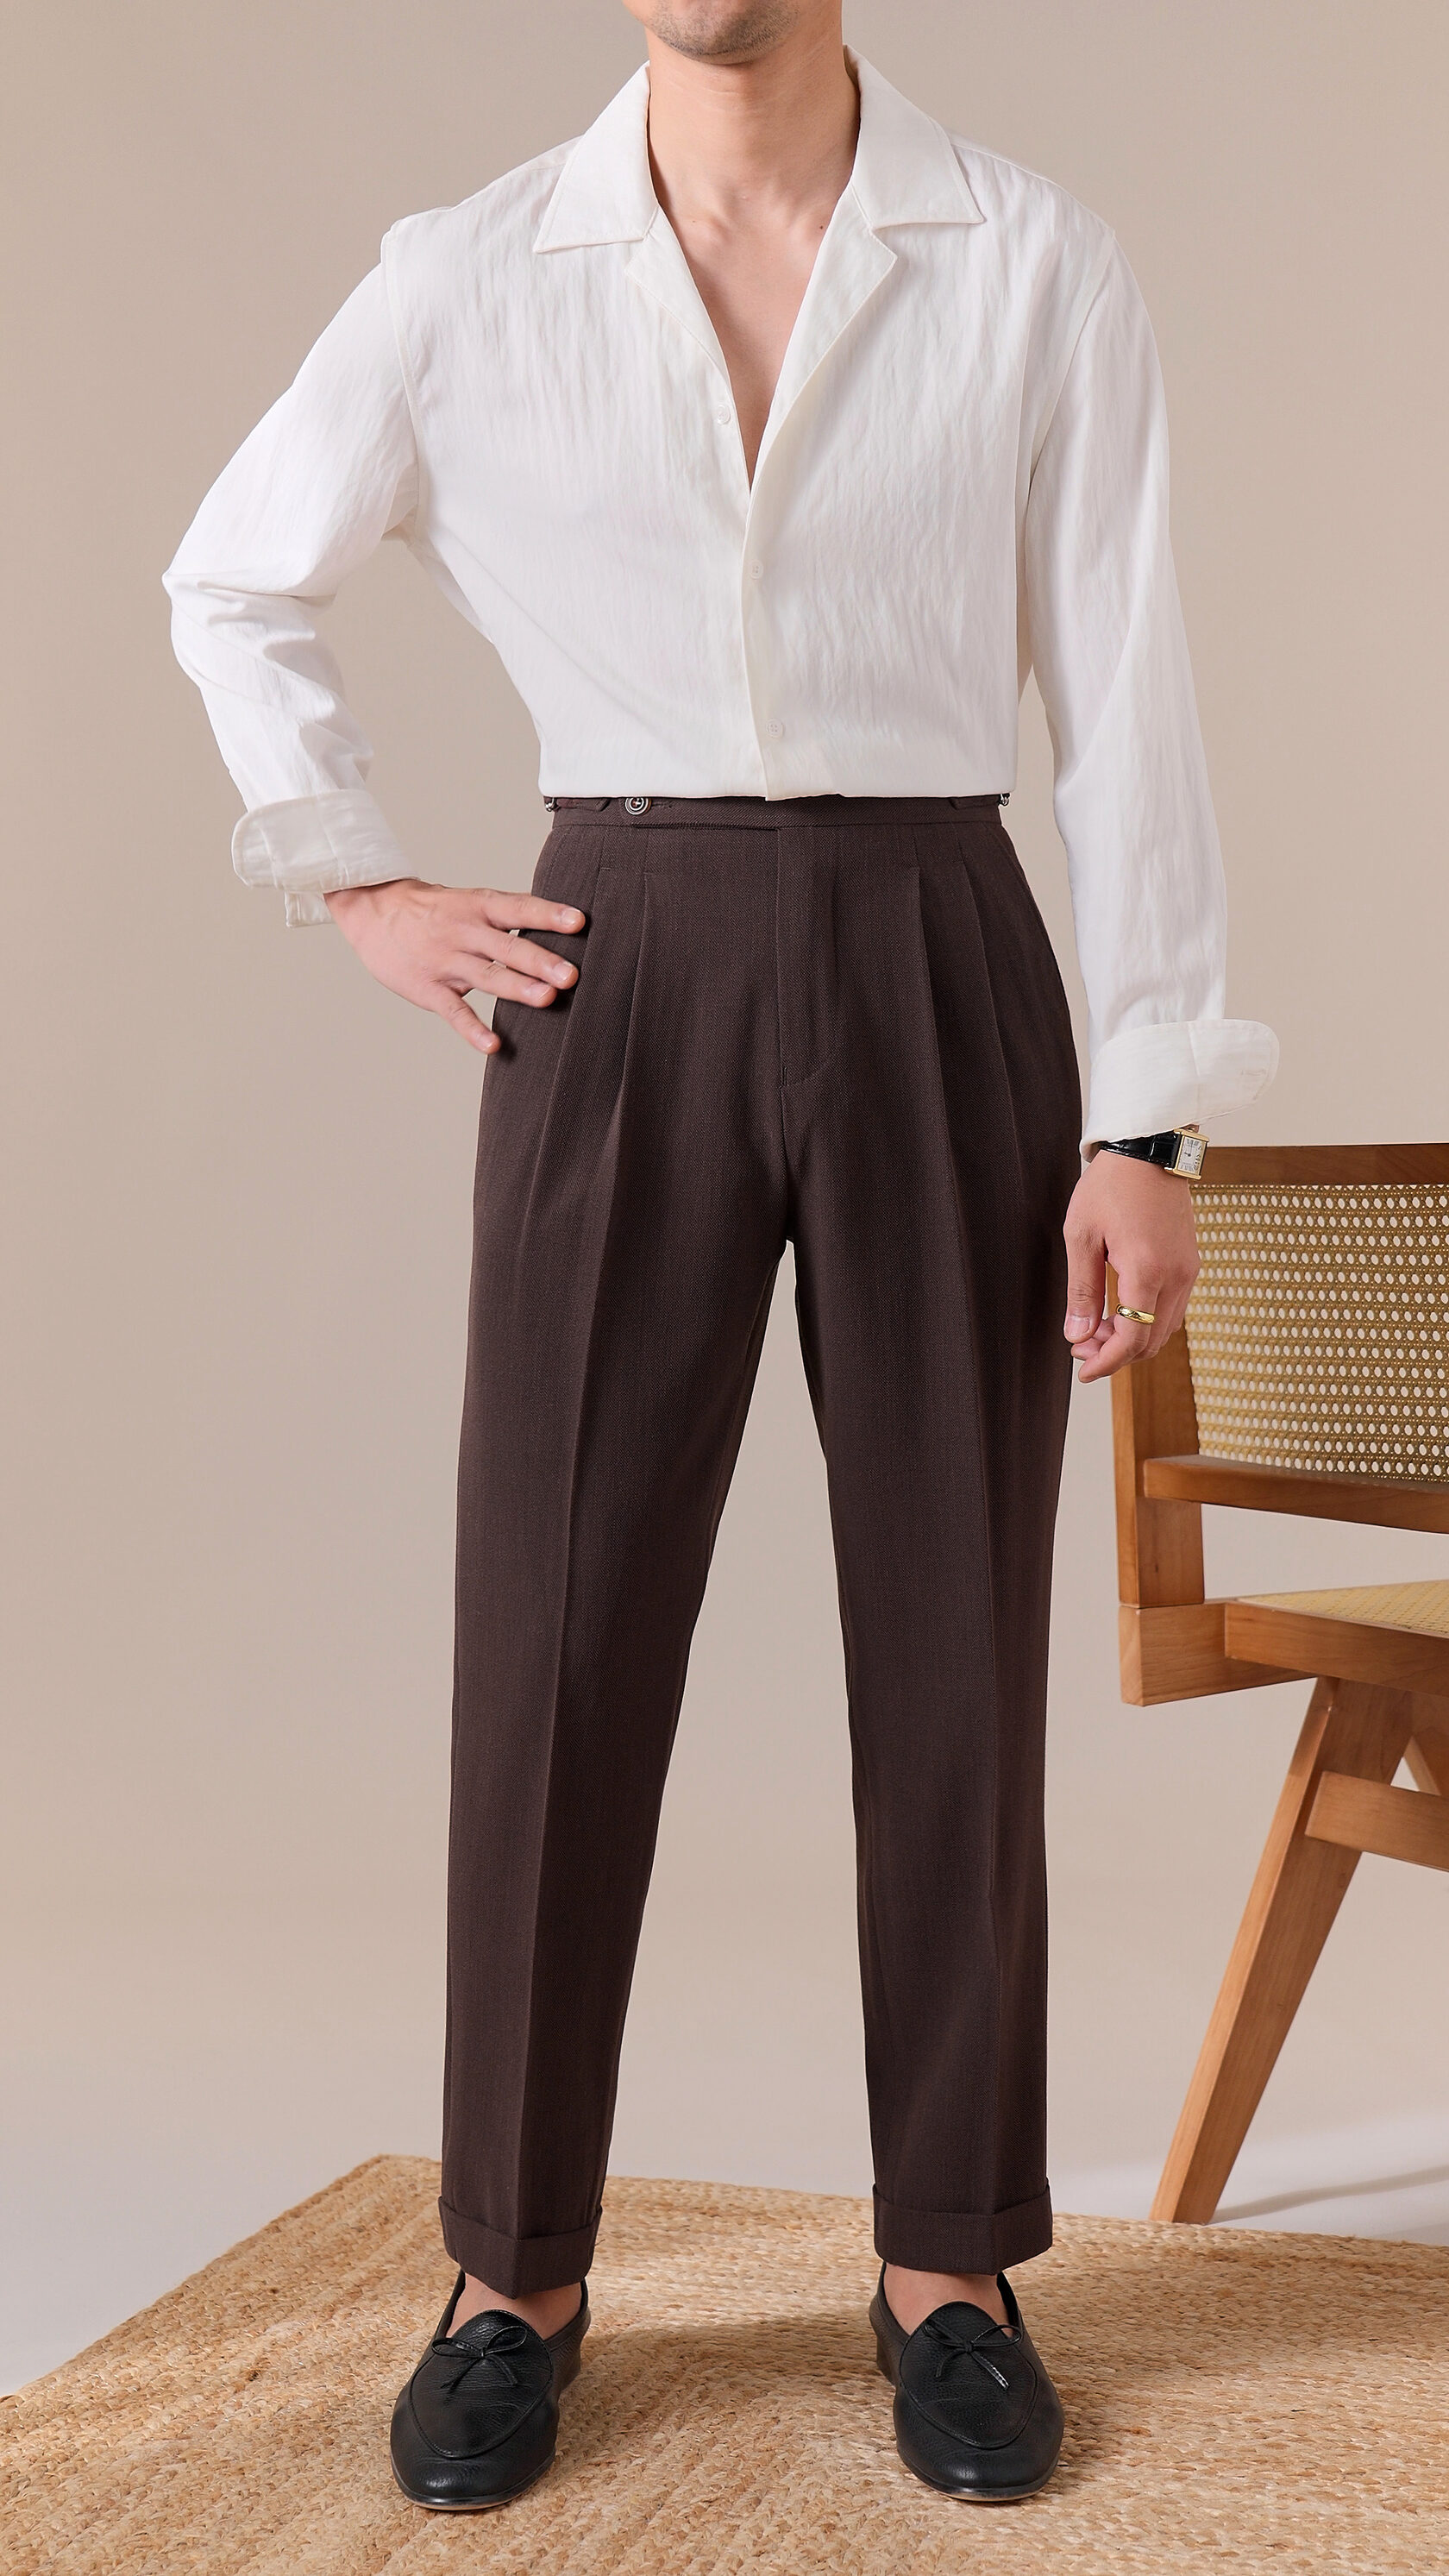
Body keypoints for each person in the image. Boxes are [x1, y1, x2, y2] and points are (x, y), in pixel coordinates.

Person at [165, 0, 1276, 2511]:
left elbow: (1126, 687)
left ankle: (952, 2264)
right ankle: (511, 2270)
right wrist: (352, 876)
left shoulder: (1034, 262)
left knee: (956, 1625)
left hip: (939, 947)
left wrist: (1146, 1112)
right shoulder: (469, 272)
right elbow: (234, 578)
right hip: (622, 957)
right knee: (554, 1626)